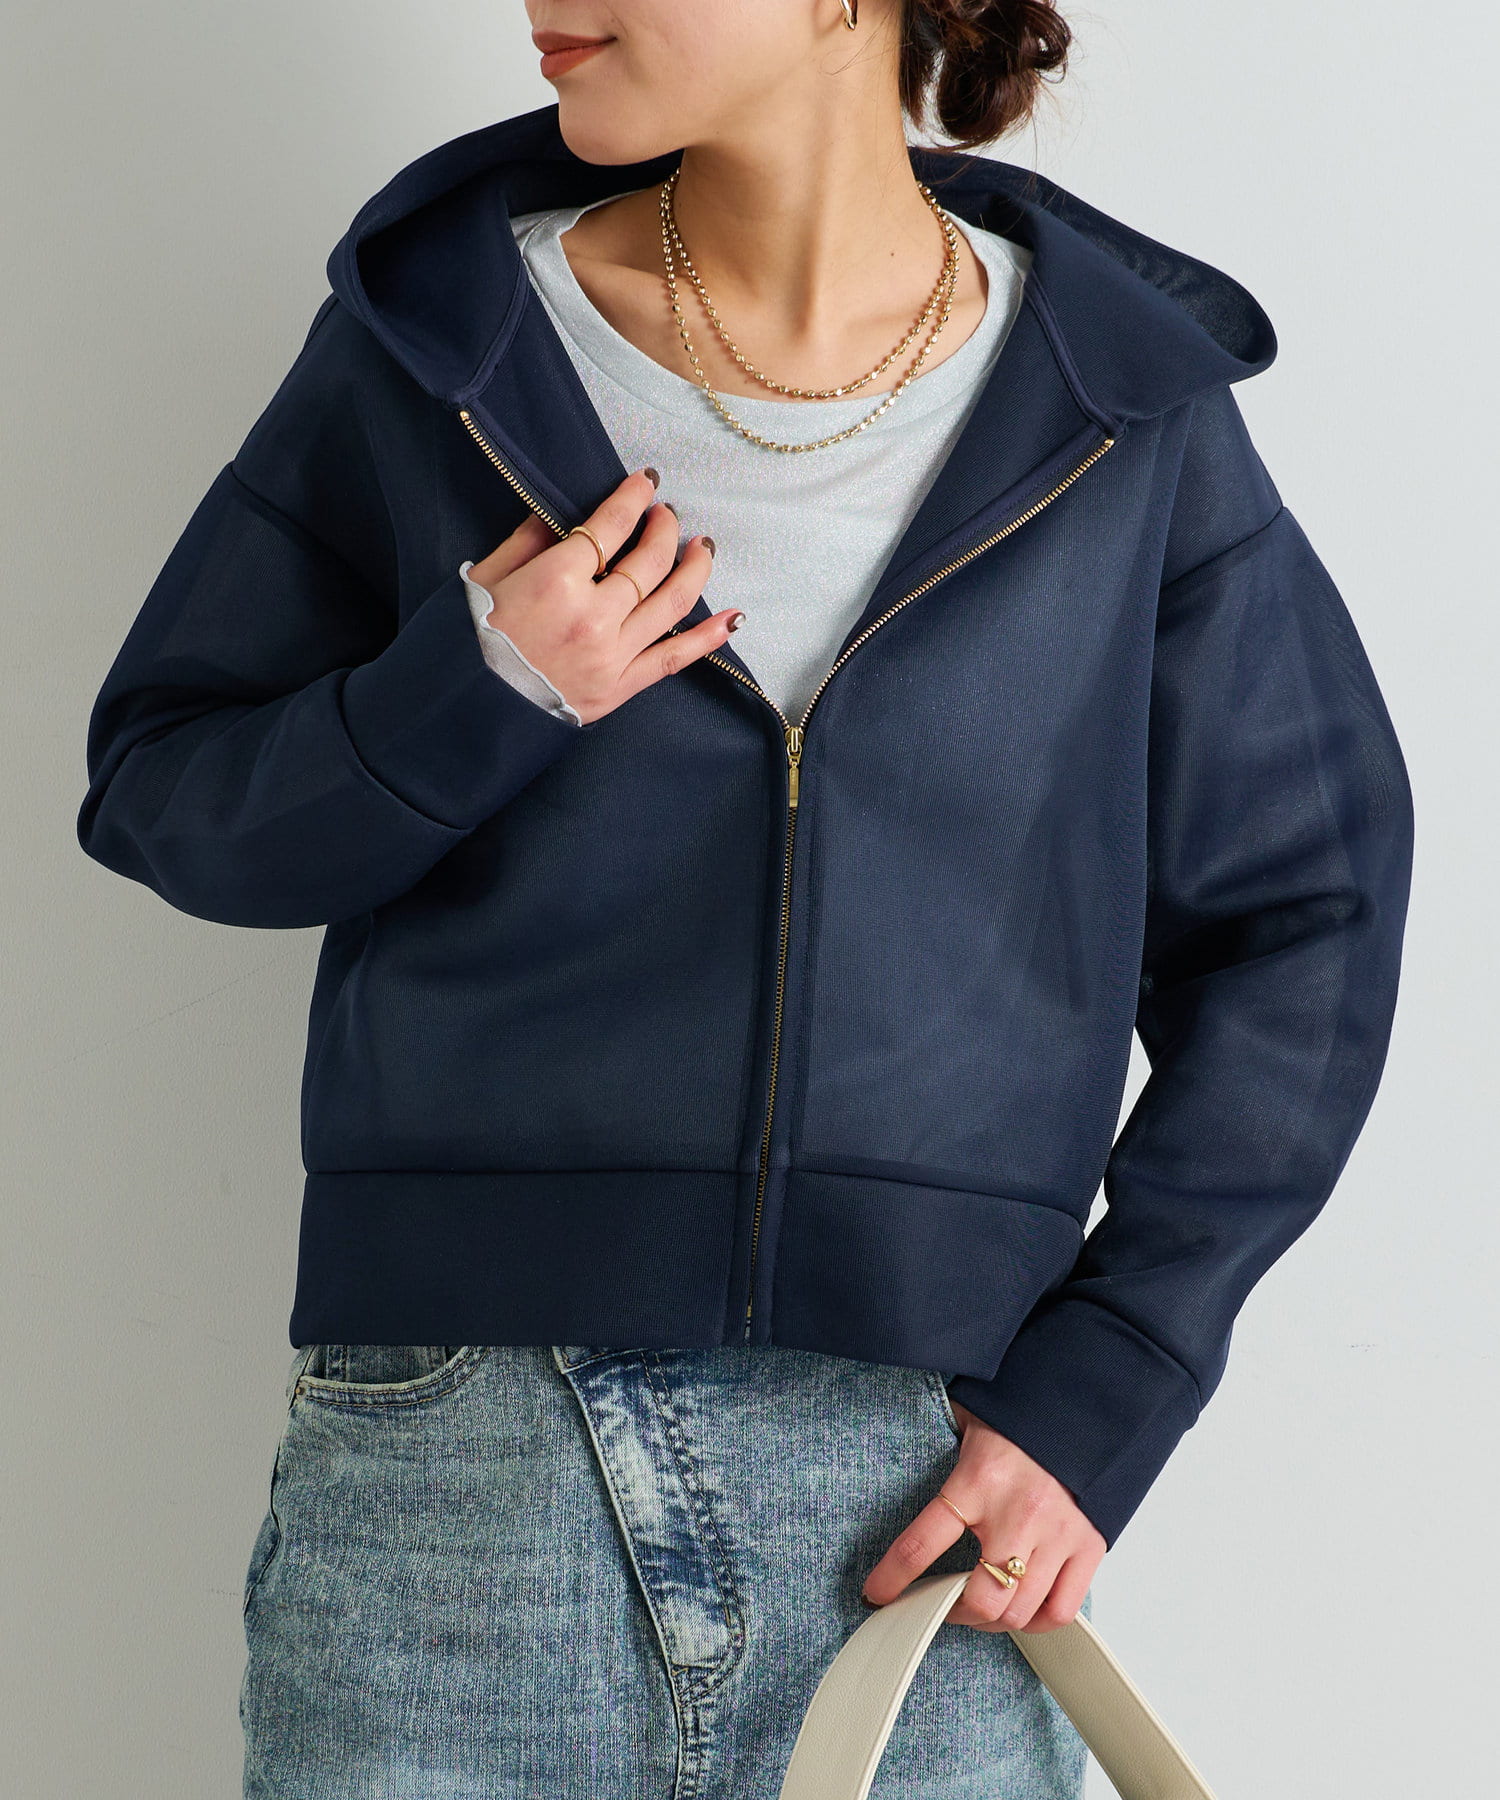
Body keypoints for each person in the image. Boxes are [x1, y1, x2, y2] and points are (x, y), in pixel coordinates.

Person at [75, 1, 1416, 1796]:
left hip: (932, 1492)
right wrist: (479, 687)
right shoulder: (446, 349)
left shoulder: (1119, 408)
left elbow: (1307, 917)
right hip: (456, 1472)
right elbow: (164, 791)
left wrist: (1117, 1378)